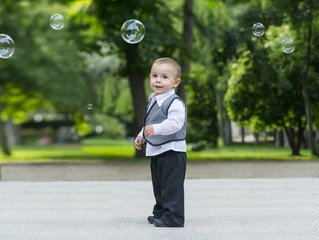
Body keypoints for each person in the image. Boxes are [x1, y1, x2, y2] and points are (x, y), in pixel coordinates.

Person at [134, 57, 187, 227]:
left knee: (171, 186)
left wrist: (156, 129)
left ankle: (174, 217)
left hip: (172, 151)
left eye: (165, 77)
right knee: (159, 184)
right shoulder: (153, 99)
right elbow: (150, 121)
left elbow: (175, 124)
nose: (158, 80)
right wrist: (142, 134)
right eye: (154, 75)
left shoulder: (174, 102)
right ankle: (161, 212)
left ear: (175, 82)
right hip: (158, 150)